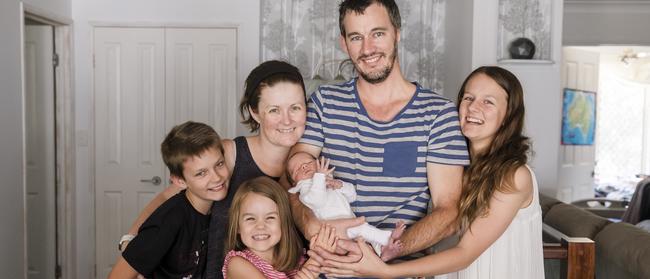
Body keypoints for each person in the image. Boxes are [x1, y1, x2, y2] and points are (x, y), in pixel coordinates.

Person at [313, 66, 545, 279]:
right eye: (469, 98)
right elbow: (447, 230)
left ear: (509, 116)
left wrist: (386, 271)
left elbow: (465, 253)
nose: (474, 107)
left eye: (488, 102)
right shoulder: (455, 167)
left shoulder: (514, 176)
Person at [285, 0, 469, 264]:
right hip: (329, 265)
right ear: (343, 43)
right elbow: (292, 175)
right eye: (356, 37)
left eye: (378, 34)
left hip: (397, 268)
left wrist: (383, 253)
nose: (368, 48)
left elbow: (448, 212)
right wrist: (312, 228)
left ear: (397, 33)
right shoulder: (325, 101)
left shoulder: (438, 114)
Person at [119, 60, 309, 279]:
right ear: (255, 112)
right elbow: (168, 200)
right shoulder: (230, 154)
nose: (287, 120)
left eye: (295, 107)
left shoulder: (308, 166)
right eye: (274, 110)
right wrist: (130, 240)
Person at [108, 121, 230, 278]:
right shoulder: (170, 218)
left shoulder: (218, 209)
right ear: (180, 181)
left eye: (219, 164)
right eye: (201, 173)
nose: (217, 177)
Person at [286, 153, 405, 258]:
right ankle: (388, 238)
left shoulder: (329, 180)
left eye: (308, 162)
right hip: (334, 231)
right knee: (362, 229)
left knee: (364, 235)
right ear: (294, 182)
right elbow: (317, 201)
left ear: (319, 163)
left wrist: (340, 185)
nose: (304, 167)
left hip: (349, 223)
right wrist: (319, 178)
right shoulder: (305, 191)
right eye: (297, 170)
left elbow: (352, 196)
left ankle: (382, 252)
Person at [223, 176, 338, 279]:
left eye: (270, 217)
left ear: (283, 222)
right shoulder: (237, 264)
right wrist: (316, 260)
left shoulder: (296, 263)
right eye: (250, 219)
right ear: (237, 226)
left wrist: (319, 255)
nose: (260, 226)